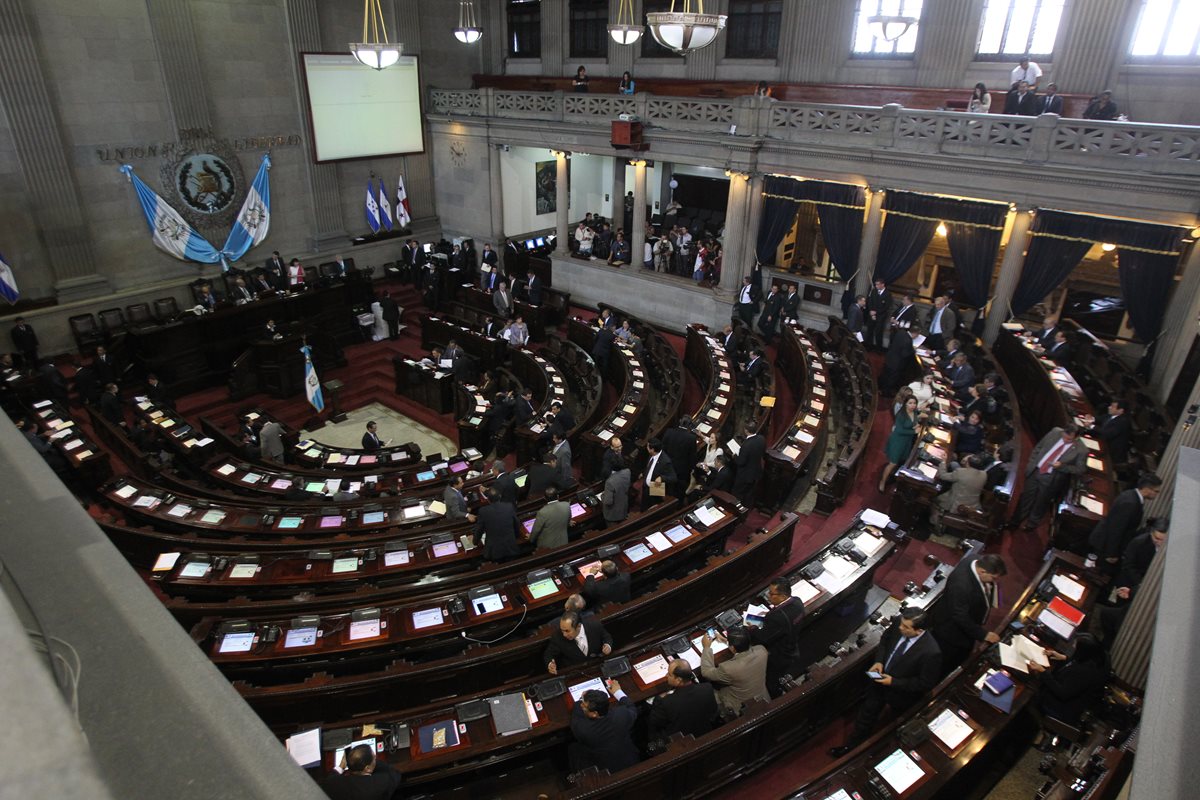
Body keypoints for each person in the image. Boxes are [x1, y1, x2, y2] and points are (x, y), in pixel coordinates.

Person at [828, 608, 943, 757]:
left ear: (919, 631)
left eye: (906, 627)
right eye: (901, 623)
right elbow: (885, 640)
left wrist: (893, 682)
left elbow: (924, 683)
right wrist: (879, 661)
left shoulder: (931, 652)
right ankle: (850, 749)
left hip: (901, 694)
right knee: (866, 716)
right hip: (879, 683)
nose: (900, 627)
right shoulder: (899, 622)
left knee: (890, 726)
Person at [930, 553, 1007, 672]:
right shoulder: (961, 585)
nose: (994, 582)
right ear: (982, 571)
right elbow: (959, 615)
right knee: (947, 663)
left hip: (966, 620)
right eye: (993, 578)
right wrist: (983, 634)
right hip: (951, 633)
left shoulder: (975, 559)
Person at [1007, 424, 1087, 530]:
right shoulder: (1055, 432)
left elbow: (1080, 469)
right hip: (1036, 471)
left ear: (1076, 438)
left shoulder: (1081, 450)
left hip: (1051, 478)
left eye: (1069, 439)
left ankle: (1031, 524)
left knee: (1041, 503)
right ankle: (1015, 521)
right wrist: (1031, 463)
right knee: (1025, 497)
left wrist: (1062, 466)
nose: (1064, 440)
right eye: (1064, 436)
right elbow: (1038, 447)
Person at [1027, 634, 1108, 729]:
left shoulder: (1084, 672)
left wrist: (1042, 671)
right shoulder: (1092, 660)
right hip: (1066, 700)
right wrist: (1064, 657)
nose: (1073, 645)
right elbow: (1077, 663)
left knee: (1030, 692)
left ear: (1082, 651)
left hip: (1060, 708)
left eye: (1075, 645)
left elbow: (1062, 693)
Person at [1087, 474, 1162, 571]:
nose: (1157, 494)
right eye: (1156, 491)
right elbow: (1116, 529)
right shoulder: (1130, 503)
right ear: (1147, 489)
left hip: (1106, 543)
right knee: (1098, 572)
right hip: (1105, 546)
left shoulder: (1131, 495)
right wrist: (1111, 553)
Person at [748, 579, 805, 698]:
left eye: (771, 593)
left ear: (783, 596)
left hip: (779, 654)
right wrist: (769, 615)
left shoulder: (777, 618)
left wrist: (751, 627)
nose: (768, 596)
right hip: (792, 644)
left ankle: (777, 699)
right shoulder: (797, 601)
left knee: (771, 681)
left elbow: (762, 638)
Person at [568, 679, 639, 774]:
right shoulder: (622, 714)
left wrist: (581, 699)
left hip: (605, 768)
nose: (581, 705)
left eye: (583, 705)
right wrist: (617, 692)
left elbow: (576, 715)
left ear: (594, 713)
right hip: (629, 757)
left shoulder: (583, 729)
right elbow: (631, 707)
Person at [700, 626, 769, 719]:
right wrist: (726, 641)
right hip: (761, 695)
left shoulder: (728, 668)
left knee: (706, 691)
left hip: (741, 706)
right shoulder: (761, 650)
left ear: (732, 648)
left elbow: (706, 672)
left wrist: (706, 647)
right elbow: (746, 647)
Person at [646, 660, 718, 746]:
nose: (666, 676)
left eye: (669, 674)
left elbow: (655, 723)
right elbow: (713, 711)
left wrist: (657, 699)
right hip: (704, 732)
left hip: (679, 742)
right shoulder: (707, 688)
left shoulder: (665, 702)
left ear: (678, 680)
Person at [320, 742, 403, 800]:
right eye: (374, 757)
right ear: (367, 768)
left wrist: (341, 766)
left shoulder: (332, 783)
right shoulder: (380, 784)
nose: (375, 757)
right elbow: (395, 774)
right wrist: (374, 762)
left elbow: (331, 778)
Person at [544, 611, 612, 674]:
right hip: (575, 672)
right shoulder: (557, 637)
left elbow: (606, 637)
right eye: (562, 631)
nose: (564, 634)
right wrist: (550, 664)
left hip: (599, 666)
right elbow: (548, 654)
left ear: (578, 626)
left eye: (567, 631)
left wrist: (607, 645)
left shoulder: (594, 625)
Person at [880, 395, 923, 492]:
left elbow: (914, 422)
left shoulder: (914, 412)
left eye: (914, 403)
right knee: (893, 463)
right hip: (898, 441)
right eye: (910, 403)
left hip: (907, 441)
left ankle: (892, 476)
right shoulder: (901, 415)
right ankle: (882, 482)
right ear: (905, 404)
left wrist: (916, 426)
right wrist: (914, 431)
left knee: (902, 460)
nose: (913, 405)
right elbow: (898, 430)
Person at [933, 454, 987, 526]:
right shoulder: (984, 475)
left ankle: (936, 524)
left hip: (956, 505)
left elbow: (942, 476)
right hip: (973, 506)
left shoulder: (960, 472)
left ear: (967, 463)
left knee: (934, 499)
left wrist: (943, 462)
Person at [473, 486, 520, 562]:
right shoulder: (509, 506)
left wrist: (475, 542)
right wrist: (517, 536)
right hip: (511, 546)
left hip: (494, 551)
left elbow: (479, 530)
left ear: (488, 500)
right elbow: (516, 523)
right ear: (500, 496)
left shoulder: (483, 511)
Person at [662, 416, 698, 498]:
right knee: (678, 491)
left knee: (664, 488)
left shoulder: (669, 431)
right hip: (681, 470)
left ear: (680, 421)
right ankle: (677, 503)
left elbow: (663, 449)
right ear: (689, 425)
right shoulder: (691, 438)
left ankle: (660, 502)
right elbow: (692, 457)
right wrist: (692, 469)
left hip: (667, 465)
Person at [1087, 399, 1133, 463]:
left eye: (1112, 407)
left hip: (1110, 452)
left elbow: (1107, 433)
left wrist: (1091, 426)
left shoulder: (1123, 422)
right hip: (1103, 442)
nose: (1109, 407)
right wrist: (1091, 418)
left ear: (1120, 410)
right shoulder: (1112, 414)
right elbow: (1101, 419)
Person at [732, 422, 766, 506]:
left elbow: (741, 462)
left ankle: (737, 509)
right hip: (755, 473)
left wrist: (735, 456)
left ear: (746, 430)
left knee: (738, 494)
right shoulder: (761, 438)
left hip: (745, 476)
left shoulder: (746, 445)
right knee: (749, 494)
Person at [879, 326, 920, 396]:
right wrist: (913, 350)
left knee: (886, 374)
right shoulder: (908, 340)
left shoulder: (901, 332)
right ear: (915, 334)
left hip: (890, 357)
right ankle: (885, 393)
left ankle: (880, 387)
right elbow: (905, 354)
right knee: (891, 378)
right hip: (897, 363)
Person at [641, 438, 676, 512]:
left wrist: (662, 478)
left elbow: (673, 478)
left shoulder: (665, 461)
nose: (646, 447)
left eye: (647, 446)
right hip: (646, 488)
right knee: (644, 508)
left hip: (656, 489)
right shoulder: (651, 455)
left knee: (651, 511)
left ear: (652, 449)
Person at [602, 454, 631, 526]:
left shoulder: (610, 482)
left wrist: (603, 496)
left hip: (613, 515)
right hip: (623, 509)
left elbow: (608, 502)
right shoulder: (627, 472)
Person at [865, 279, 893, 351]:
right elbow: (870, 301)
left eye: (878, 284)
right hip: (872, 314)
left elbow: (886, 307)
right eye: (876, 284)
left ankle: (878, 349)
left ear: (882, 284)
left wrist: (876, 312)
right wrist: (871, 311)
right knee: (870, 331)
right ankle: (868, 346)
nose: (876, 286)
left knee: (878, 332)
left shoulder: (888, 294)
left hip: (881, 316)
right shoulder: (874, 291)